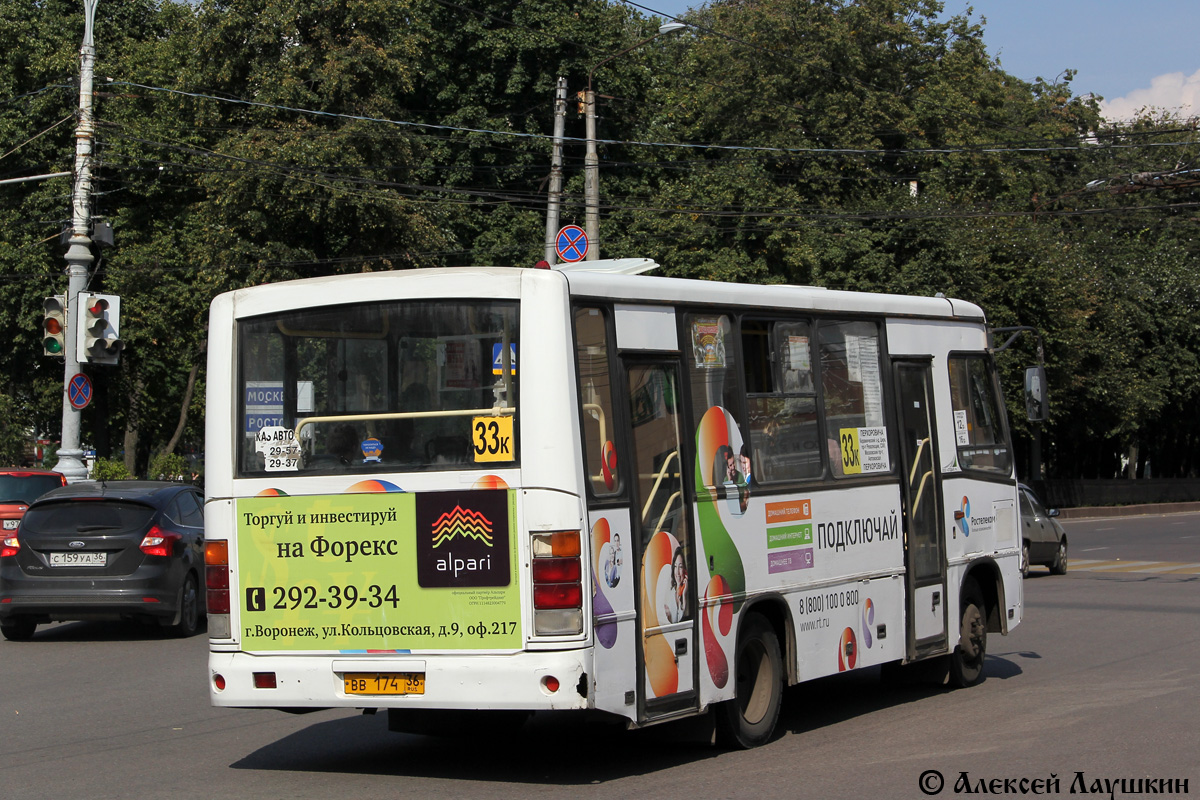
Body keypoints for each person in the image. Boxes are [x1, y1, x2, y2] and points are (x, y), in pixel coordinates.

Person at [662, 546, 687, 623]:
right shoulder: (670, 592)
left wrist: (684, 595)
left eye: (680, 567)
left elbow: (681, 620)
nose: (677, 572)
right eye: (675, 567)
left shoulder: (686, 592)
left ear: (685, 570)